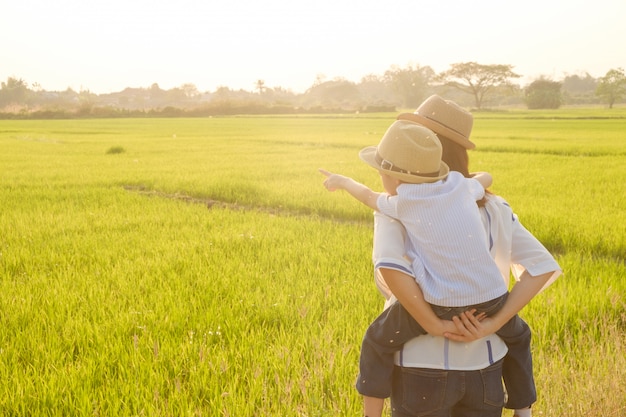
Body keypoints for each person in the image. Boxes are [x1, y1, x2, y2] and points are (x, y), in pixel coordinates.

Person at [319, 119, 534, 417]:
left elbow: (368, 199)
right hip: (493, 299)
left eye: (382, 173)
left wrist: (342, 182)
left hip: (441, 303)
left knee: (377, 340)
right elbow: (486, 177)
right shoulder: (461, 187)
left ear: (393, 178)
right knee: (520, 335)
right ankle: (524, 410)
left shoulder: (403, 203)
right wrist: (476, 178)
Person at [377, 95, 561, 416]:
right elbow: (541, 267)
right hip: (486, 367)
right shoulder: (495, 206)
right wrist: (493, 323)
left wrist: (434, 324)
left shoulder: (398, 207)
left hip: (419, 364)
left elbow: (393, 275)